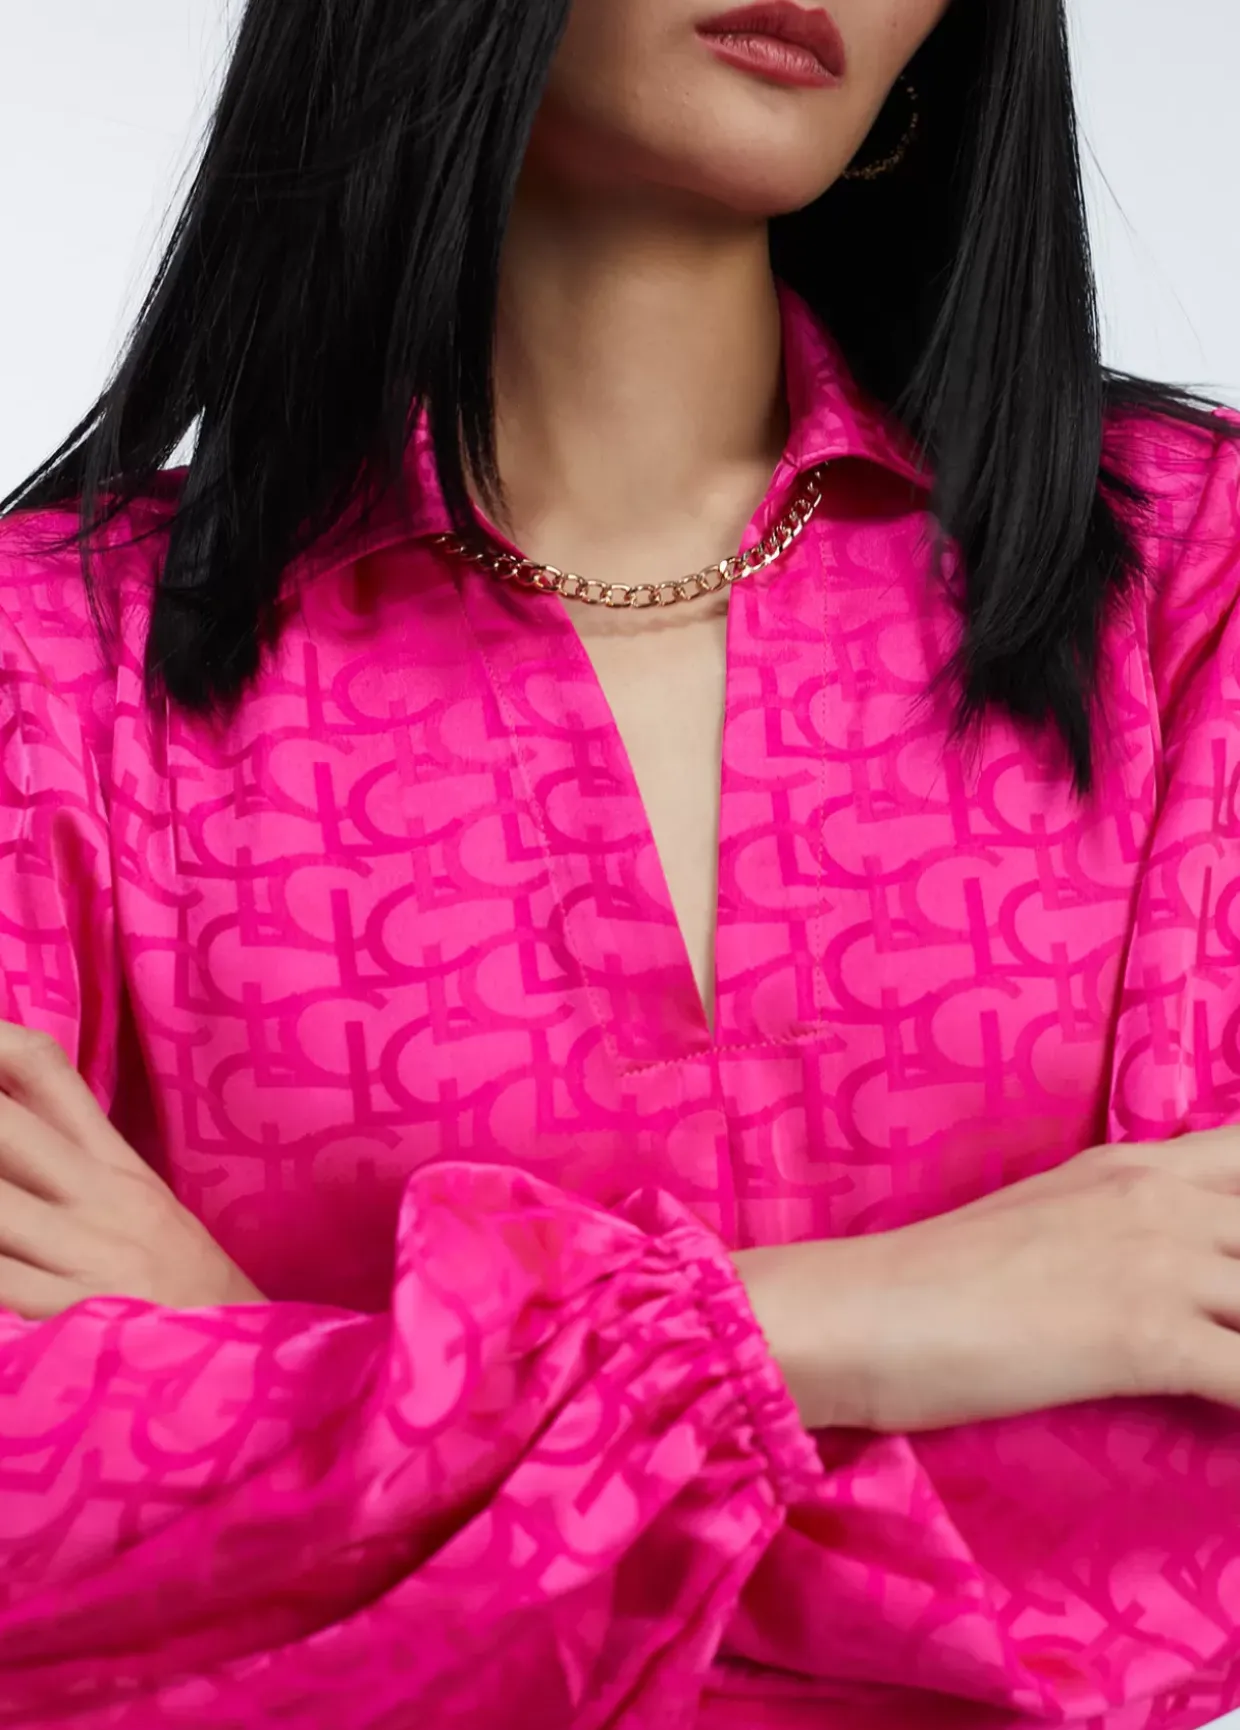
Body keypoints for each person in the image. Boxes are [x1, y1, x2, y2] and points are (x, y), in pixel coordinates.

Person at [1, 0, 1239, 1723]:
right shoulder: (50, 659)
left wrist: (311, 1394)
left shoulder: (1192, 581)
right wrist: (867, 1317)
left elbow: (1186, 1520)